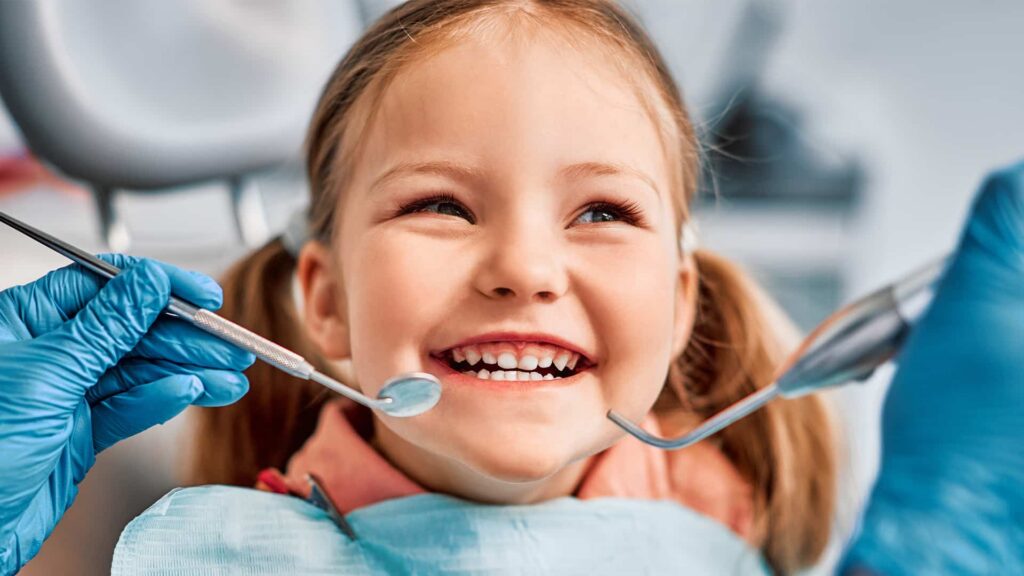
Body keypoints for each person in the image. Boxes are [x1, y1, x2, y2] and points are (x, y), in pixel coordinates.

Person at [0, 1, 1019, 574]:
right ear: (327, 303)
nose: (525, 270)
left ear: (679, 311)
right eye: (442, 205)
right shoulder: (217, 562)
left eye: (601, 213)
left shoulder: (723, 554)